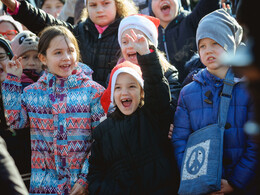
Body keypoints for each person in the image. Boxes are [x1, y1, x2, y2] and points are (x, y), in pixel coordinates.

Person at [2, 25, 105, 194]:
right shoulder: (32, 93)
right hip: (43, 188)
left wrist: (85, 179)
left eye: (70, 51)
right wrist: (12, 80)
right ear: (43, 58)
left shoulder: (93, 92)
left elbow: (100, 142)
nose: (66, 57)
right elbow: (14, 120)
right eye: (58, 52)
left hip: (81, 187)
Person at [172, 9, 258, 194]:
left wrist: (235, 182)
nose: (208, 50)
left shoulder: (249, 88)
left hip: (244, 185)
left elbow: (255, 143)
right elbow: (180, 141)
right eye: (202, 46)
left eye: (215, 43)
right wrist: (198, 179)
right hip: (203, 187)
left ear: (230, 44)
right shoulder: (188, 92)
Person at [87, 28, 178, 194]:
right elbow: (95, 175)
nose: (124, 92)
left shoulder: (152, 115)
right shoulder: (103, 132)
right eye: (118, 88)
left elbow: (157, 86)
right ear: (112, 95)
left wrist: (146, 55)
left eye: (131, 86)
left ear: (142, 92)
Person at [1, 0, 138, 87]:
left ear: (118, 4)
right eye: (93, 5)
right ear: (86, 7)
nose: (99, 9)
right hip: (81, 109)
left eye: (105, 3)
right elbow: (45, 23)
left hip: (118, 108)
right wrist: (16, 6)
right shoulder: (79, 31)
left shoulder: (127, 33)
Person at [117, 14, 181, 114]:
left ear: (151, 44)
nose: (131, 46)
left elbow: (171, 106)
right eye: (125, 42)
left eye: (137, 40)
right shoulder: (117, 74)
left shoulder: (167, 72)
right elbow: (112, 108)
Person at [149, 0, 220, 83]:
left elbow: (209, 4)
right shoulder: (147, 36)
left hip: (197, 87)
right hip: (165, 93)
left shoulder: (193, 21)